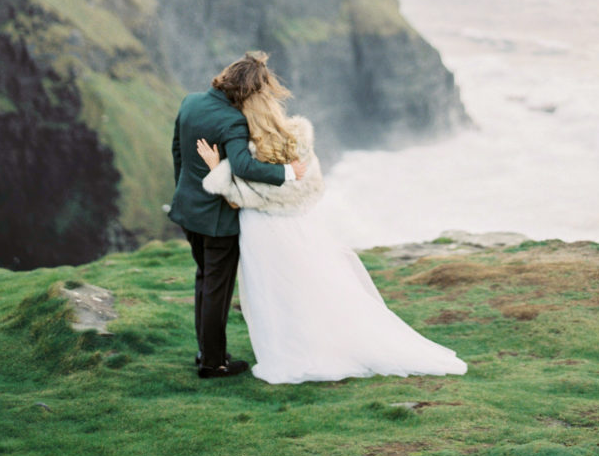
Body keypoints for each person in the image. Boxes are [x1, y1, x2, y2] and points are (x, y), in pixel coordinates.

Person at [196, 56, 468, 385]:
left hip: (260, 229)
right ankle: (317, 342)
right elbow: (313, 188)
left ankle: (286, 350)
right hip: (298, 225)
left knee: (271, 292)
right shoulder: (298, 141)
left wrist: (216, 169)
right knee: (306, 284)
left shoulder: (248, 151)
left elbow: (237, 196)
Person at [169, 52, 307, 379]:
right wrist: (288, 172)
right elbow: (244, 167)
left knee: (204, 280)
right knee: (218, 288)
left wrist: (184, 190)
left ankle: (206, 350)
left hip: (188, 209)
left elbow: (177, 151)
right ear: (248, 90)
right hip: (217, 219)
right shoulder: (232, 120)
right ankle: (214, 362)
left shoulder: (190, 102)